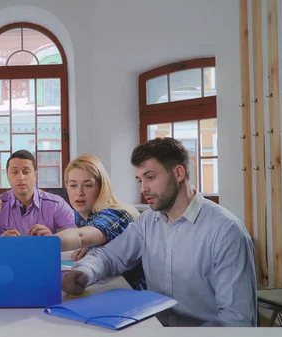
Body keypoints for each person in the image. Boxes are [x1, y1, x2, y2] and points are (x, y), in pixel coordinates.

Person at [62, 137, 257, 327]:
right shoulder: (148, 221)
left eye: (151, 177)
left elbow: (236, 319)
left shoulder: (226, 231)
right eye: (140, 179)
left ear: (178, 173)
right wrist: (84, 272)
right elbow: (111, 256)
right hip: (151, 326)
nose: (143, 188)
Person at [55, 154, 146, 291]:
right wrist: (89, 247)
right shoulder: (80, 215)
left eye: (88, 185)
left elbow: (80, 236)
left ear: (101, 187)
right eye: (73, 185)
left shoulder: (115, 214)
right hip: (108, 286)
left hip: (131, 292)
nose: (79, 192)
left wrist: (45, 243)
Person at [0, 150, 76, 236]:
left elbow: (76, 234)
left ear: (35, 175)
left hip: (43, 259)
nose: (21, 177)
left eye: (26, 172)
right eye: (15, 172)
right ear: (7, 176)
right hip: (9, 260)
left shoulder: (55, 203)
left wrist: (52, 240)